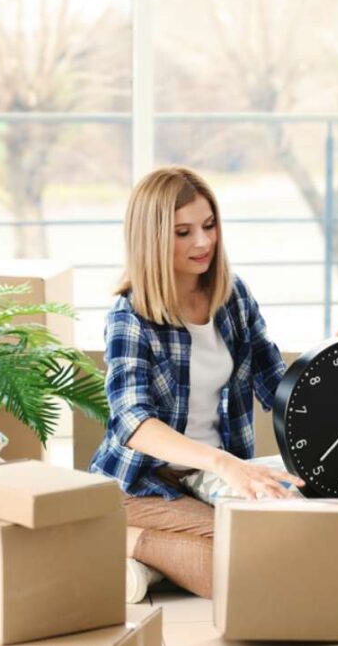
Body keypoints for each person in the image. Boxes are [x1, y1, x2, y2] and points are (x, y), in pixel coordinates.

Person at [90, 166, 304, 603]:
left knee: (287, 541)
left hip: (207, 478)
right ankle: (116, 540)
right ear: (151, 239)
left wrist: (336, 390)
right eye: (183, 232)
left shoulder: (233, 296)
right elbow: (133, 422)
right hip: (143, 483)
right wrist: (224, 464)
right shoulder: (128, 316)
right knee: (238, 564)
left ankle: (146, 567)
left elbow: (274, 379)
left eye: (209, 226)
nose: (203, 243)